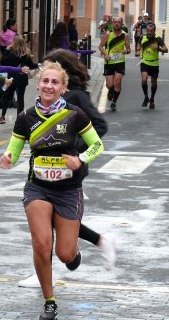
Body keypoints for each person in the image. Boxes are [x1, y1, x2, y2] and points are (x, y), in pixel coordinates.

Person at [0, 62, 104, 320]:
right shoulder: (26, 118)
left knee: (64, 254)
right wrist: (8, 157)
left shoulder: (75, 114)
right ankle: (49, 301)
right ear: (38, 84)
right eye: (45, 81)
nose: (49, 86)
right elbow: (14, 148)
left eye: (55, 82)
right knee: (42, 243)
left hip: (68, 190)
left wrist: (80, 158)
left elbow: (97, 145)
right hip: (38, 187)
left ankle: (74, 252)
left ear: (63, 88)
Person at [44, 49, 116, 269]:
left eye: (50, 67)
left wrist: (77, 152)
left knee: (51, 220)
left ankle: (87, 248)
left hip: (68, 169)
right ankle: (93, 245)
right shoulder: (54, 96)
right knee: (48, 220)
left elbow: (100, 125)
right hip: (47, 168)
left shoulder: (76, 96)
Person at [0, 37, 36, 123]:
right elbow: (32, 65)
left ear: (16, 43)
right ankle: (19, 119)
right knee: (20, 99)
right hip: (22, 79)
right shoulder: (26, 55)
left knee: (7, 97)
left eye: (13, 41)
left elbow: (3, 63)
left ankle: (3, 116)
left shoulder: (12, 54)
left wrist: (7, 50)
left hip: (12, 79)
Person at [99, 16, 131, 112]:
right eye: (115, 22)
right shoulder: (108, 34)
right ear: (112, 24)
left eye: (119, 22)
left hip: (120, 61)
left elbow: (129, 49)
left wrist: (126, 51)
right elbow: (100, 47)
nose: (117, 24)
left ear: (121, 24)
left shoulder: (125, 35)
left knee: (117, 82)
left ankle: (114, 102)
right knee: (109, 85)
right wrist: (105, 54)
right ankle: (110, 90)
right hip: (109, 62)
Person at [139, 23, 168, 109]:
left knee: (153, 82)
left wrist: (158, 48)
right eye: (148, 31)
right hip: (144, 62)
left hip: (154, 63)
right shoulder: (142, 37)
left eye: (151, 31)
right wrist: (137, 51)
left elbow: (166, 49)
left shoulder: (158, 39)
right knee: (144, 80)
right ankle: (146, 96)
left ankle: (152, 99)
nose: (149, 32)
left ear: (154, 31)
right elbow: (139, 44)